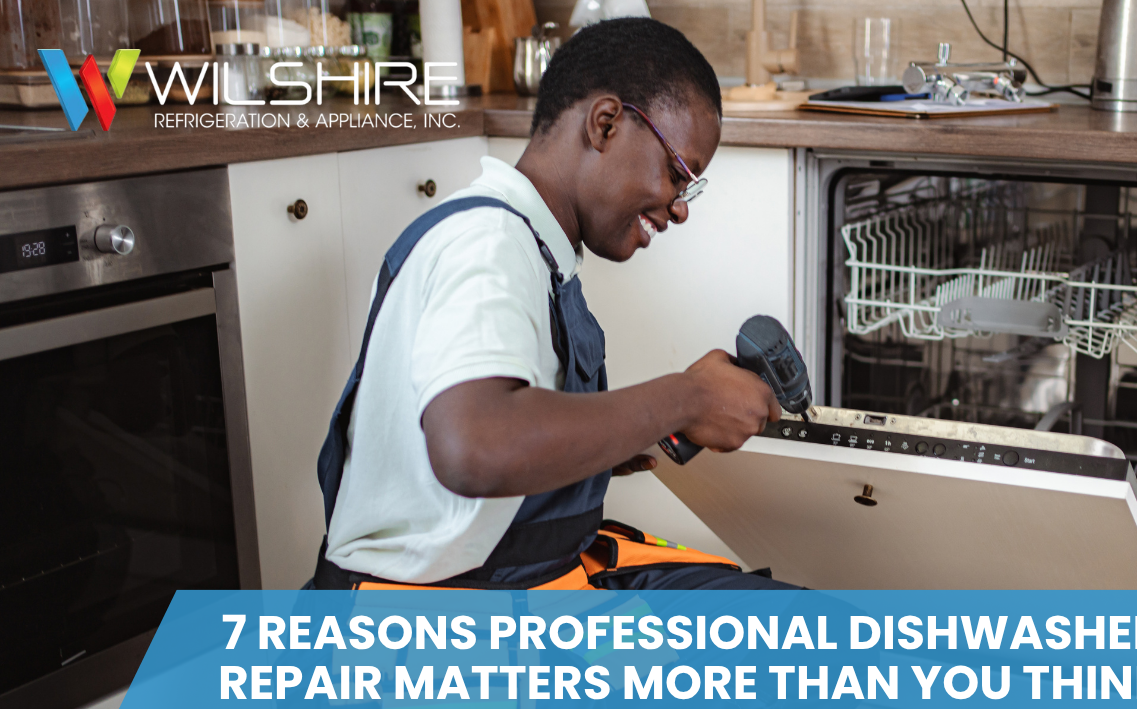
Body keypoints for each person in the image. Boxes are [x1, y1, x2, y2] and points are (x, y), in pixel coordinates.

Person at [311, 18, 798, 592]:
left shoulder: (530, 246)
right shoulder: (488, 244)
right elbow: (476, 449)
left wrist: (617, 441)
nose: (680, 207)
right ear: (606, 123)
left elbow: (491, 437)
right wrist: (683, 399)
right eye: (677, 173)